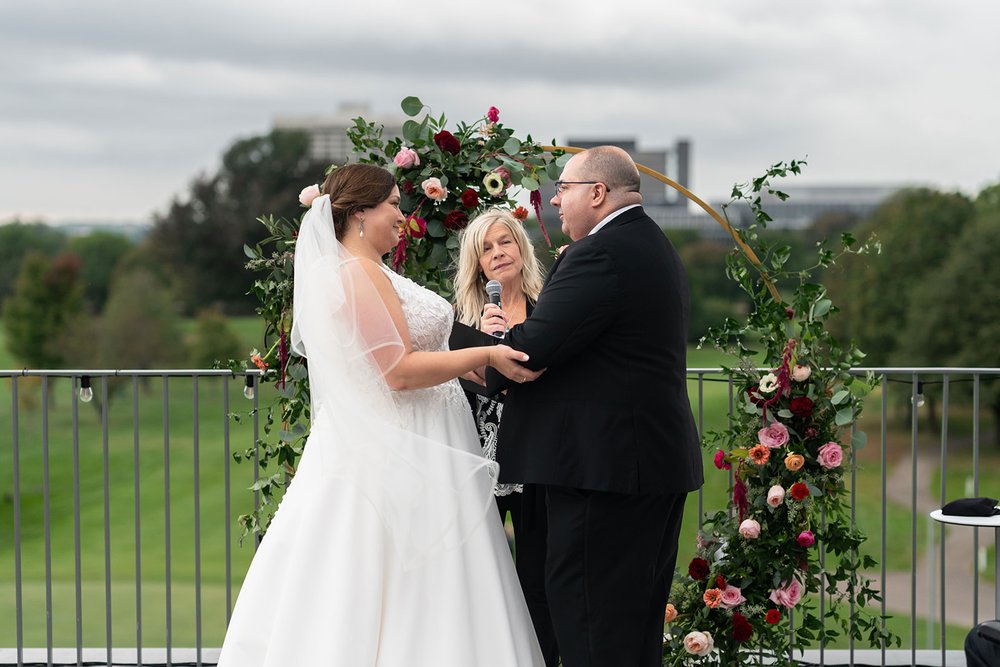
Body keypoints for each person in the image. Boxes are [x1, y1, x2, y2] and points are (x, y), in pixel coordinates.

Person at [217, 164, 546, 666]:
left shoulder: (375, 270)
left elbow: (424, 351)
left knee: (441, 579)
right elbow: (397, 371)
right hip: (406, 444)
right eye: (392, 204)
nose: (401, 214)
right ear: (359, 213)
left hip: (430, 435)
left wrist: (490, 364)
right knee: (397, 575)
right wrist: (485, 356)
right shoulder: (356, 273)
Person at [486, 146, 704, 666]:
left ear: (597, 193)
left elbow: (532, 348)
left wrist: (493, 343)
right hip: (643, 468)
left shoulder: (600, 253)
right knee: (633, 630)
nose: (556, 200)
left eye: (564, 188)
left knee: (590, 627)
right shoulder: (650, 243)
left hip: (604, 477)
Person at [453, 209, 559, 665]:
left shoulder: (549, 307)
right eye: (487, 249)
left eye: (505, 243)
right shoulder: (459, 318)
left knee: (540, 576)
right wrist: (486, 347)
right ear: (476, 263)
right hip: (479, 458)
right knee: (481, 573)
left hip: (538, 458)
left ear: (521, 247)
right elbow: (451, 384)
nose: (498, 254)